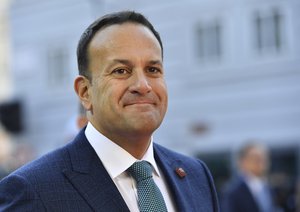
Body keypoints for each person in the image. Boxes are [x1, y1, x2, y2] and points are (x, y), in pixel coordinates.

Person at [0, 11, 219, 211]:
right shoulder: (33, 190)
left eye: (153, 69)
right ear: (85, 92)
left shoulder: (196, 176)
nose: (143, 85)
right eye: (121, 71)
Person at [221, 142, 277, 212]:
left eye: (264, 157)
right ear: (243, 162)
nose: (262, 161)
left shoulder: (268, 187)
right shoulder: (232, 191)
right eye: (256, 158)